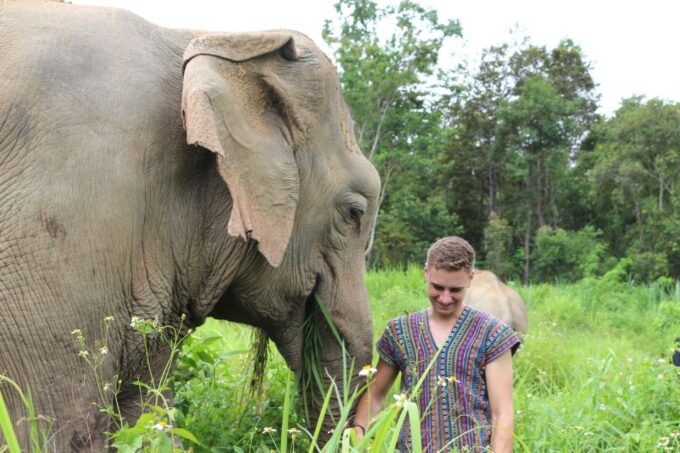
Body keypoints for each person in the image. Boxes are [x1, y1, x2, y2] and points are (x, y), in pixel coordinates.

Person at [353, 236, 520, 452]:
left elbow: (502, 415)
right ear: (426, 272)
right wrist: (358, 438)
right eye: (438, 287)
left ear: (470, 278)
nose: (445, 297)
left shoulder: (493, 334)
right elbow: (375, 395)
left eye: (455, 290)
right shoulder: (400, 331)